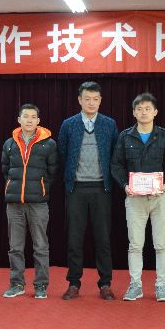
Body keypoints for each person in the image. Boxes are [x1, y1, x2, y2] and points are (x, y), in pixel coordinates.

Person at [111, 92, 165, 302]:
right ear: (133, 112)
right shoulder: (125, 136)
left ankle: (161, 286)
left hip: (159, 198)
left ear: (155, 112)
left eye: (147, 109)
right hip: (134, 199)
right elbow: (116, 165)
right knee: (135, 245)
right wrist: (125, 185)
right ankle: (135, 285)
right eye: (139, 109)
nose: (143, 112)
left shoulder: (164, 136)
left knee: (161, 245)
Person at [57, 81, 119, 301]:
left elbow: (115, 154)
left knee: (103, 238)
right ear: (79, 100)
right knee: (75, 238)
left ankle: (105, 284)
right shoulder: (69, 124)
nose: (91, 103)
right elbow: (62, 153)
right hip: (76, 188)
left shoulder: (109, 124)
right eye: (87, 99)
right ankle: (74, 283)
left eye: (95, 99)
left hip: (102, 188)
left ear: (100, 101)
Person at [1, 104, 58, 299]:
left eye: (33, 117)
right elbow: (5, 169)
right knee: (15, 247)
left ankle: (41, 285)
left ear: (38, 121)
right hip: (14, 202)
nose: (29, 120)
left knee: (40, 246)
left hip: (38, 203)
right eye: (26, 116)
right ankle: (17, 284)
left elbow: (52, 171)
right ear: (19, 119)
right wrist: (13, 187)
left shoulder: (49, 144)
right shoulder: (9, 144)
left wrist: (40, 187)